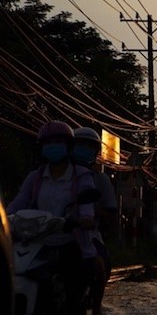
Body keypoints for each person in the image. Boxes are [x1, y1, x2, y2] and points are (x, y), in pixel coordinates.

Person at [8, 120, 98, 314]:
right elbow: (17, 204)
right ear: (42, 148)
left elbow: (86, 207)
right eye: (48, 143)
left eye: (58, 141)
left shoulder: (82, 176)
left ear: (68, 146)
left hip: (69, 241)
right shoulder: (35, 177)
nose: (53, 146)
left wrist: (83, 219)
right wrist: (5, 218)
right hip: (36, 243)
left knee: (72, 295)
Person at [73, 127, 117, 315]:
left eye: (88, 146)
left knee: (101, 265)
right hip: (51, 231)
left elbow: (110, 212)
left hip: (87, 235)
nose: (84, 149)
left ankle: (96, 306)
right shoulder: (42, 176)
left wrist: (91, 214)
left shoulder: (100, 179)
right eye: (79, 145)